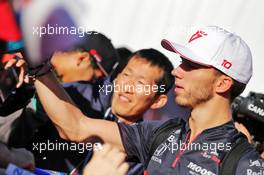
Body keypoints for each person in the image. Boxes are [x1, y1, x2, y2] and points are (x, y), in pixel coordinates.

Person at [11, 25, 264, 174]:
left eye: (191, 65)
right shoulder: (163, 134)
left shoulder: (243, 162)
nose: (177, 71)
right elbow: (76, 127)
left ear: (223, 83)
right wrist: (39, 67)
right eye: (180, 62)